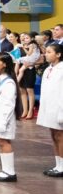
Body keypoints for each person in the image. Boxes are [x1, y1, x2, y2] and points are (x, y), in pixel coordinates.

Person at [0, 52, 19, 182]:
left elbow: (9, 104)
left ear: (4, 64)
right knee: (0, 142)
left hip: (4, 118)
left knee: (4, 142)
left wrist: (3, 121)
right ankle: (5, 170)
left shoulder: (8, 82)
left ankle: (10, 172)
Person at [36, 42, 63, 177]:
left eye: (49, 52)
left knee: (60, 136)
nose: (45, 54)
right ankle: (58, 164)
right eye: (45, 52)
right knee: (54, 136)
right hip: (49, 107)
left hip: (59, 108)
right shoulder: (48, 69)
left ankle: (62, 166)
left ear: (58, 55)